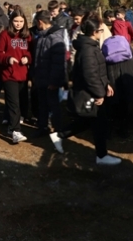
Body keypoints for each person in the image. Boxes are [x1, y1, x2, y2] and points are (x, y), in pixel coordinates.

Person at [49, 16, 121, 165]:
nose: (102, 33)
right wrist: (99, 93)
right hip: (90, 93)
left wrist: (106, 83)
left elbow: (98, 71)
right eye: (101, 30)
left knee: (91, 121)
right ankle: (101, 156)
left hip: (93, 91)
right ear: (95, 32)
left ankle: (60, 135)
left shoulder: (91, 46)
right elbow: (90, 75)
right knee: (96, 122)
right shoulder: (88, 50)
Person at [0, 9, 32, 143]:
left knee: (22, 102)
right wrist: (7, 58)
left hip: (23, 74)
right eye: (16, 21)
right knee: (13, 103)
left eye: (21, 21)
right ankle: (16, 131)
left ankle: (12, 126)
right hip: (9, 74)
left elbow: (30, 52)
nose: (18, 24)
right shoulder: (5, 35)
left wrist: (27, 58)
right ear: (11, 21)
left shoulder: (27, 36)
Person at [32, 10, 67, 136]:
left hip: (50, 80)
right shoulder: (42, 37)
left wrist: (54, 82)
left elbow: (58, 64)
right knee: (42, 104)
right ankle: (43, 127)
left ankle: (58, 129)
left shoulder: (55, 39)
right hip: (41, 77)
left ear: (40, 22)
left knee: (53, 105)